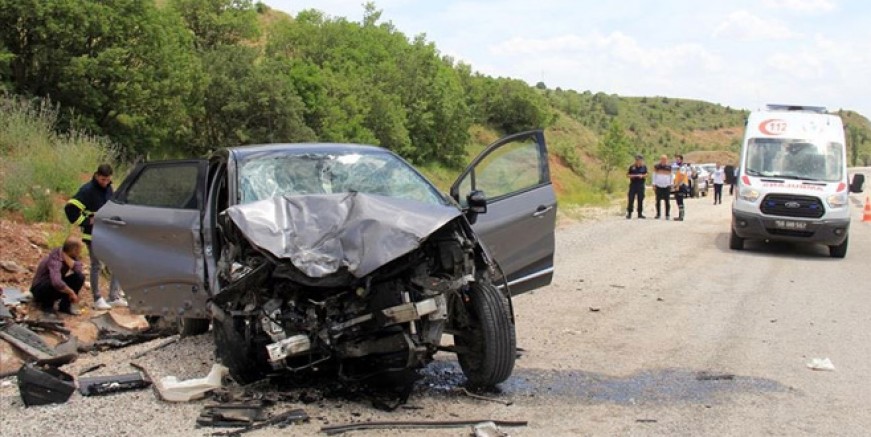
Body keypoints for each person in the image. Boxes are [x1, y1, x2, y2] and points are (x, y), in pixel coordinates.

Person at [64, 164, 126, 310]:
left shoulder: (109, 188)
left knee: (117, 262)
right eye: (103, 179)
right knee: (96, 265)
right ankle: (97, 298)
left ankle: (113, 296)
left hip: (109, 233)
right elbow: (70, 209)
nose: (105, 182)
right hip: (93, 234)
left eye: (108, 180)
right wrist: (86, 221)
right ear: (97, 175)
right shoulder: (87, 190)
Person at [31, 237, 85, 315]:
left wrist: (67, 259)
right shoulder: (55, 258)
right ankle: (47, 306)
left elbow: (78, 269)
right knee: (53, 281)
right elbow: (56, 282)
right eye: (80, 249)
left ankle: (64, 306)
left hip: (53, 285)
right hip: (40, 288)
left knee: (79, 277)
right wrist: (71, 292)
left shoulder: (69, 255)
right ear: (74, 249)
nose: (80, 251)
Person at [626, 154, 648, 219]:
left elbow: (646, 174)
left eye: (639, 160)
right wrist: (633, 176)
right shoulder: (632, 167)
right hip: (633, 184)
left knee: (640, 199)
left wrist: (642, 176)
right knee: (631, 199)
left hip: (641, 185)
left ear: (642, 160)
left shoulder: (644, 167)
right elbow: (627, 175)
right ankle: (629, 213)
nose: (638, 161)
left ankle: (640, 213)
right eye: (637, 160)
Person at [652, 155, 672, 220]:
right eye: (662, 159)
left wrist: (671, 184)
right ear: (660, 159)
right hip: (658, 186)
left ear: (667, 160)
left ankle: (667, 214)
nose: (663, 160)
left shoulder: (669, 167)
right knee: (657, 201)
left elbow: (671, 176)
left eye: (665, 159)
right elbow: (654, 175)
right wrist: (654, 184)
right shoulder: (657, 167)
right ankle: (658, 214)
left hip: (666, 186)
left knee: (667, 201)